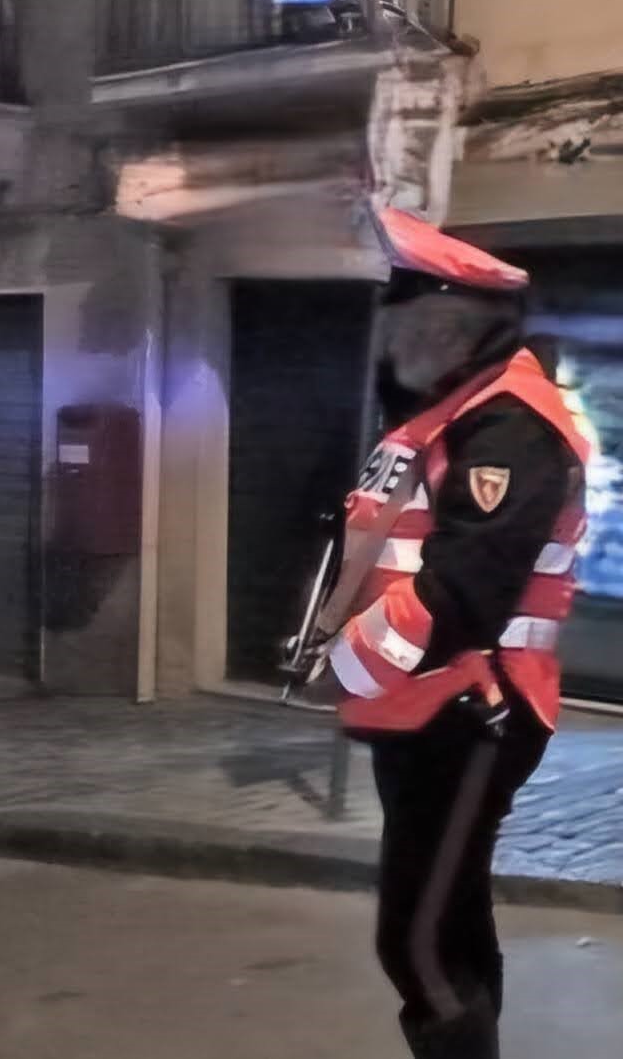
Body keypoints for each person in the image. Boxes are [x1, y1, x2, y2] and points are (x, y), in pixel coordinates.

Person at [300, 208, 588, 1059]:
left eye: (413, 324)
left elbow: (465, 587)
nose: (395, 343)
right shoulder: (451, 413)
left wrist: (350, 663)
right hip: (429, 703)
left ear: (457, 325)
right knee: (449, 919)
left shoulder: (509, 424)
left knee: (419, 940)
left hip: (471, 707)